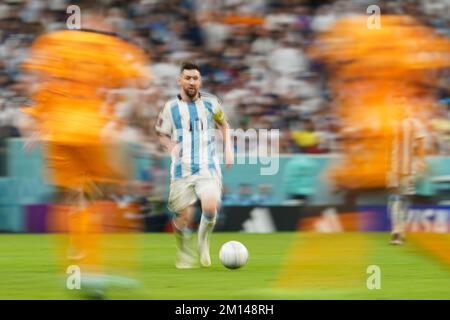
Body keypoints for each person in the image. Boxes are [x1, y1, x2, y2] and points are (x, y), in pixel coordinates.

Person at [20, 8, 150, 296]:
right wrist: (134, 121)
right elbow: (139, 82)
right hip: (94, 132)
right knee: (109, 192)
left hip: (59, 131)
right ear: (97, 19)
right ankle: (119, 270)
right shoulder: (109, 45)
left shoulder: (52, 42)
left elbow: (37, 83)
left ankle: (79, 271)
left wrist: (34, 122)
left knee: (69, 199)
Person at [156, 62, 234, 268]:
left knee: (210, 205)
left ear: (200, 81)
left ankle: (203, 242)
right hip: (182, 170)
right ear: (180, 81)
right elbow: (162, 134)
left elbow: (223, 124)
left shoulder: (211, 103)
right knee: (184, 217)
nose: (192, 82)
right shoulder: (170, 108)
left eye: (196, 78)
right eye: (188, 78)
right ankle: (183, 250)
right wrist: (171, 145)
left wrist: (228, 149)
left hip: (207, 166)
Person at [387, 104, 427, 245]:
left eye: (402, 106)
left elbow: (420, 142)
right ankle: (396, 231)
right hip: (392, 168)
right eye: (397, 106)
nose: (399, 108)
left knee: (405, 200)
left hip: (409, 169)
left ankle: (401, 229)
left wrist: (422, 160)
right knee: (395, 198)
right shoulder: (389, 123)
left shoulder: (414, 123)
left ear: (406, 107)